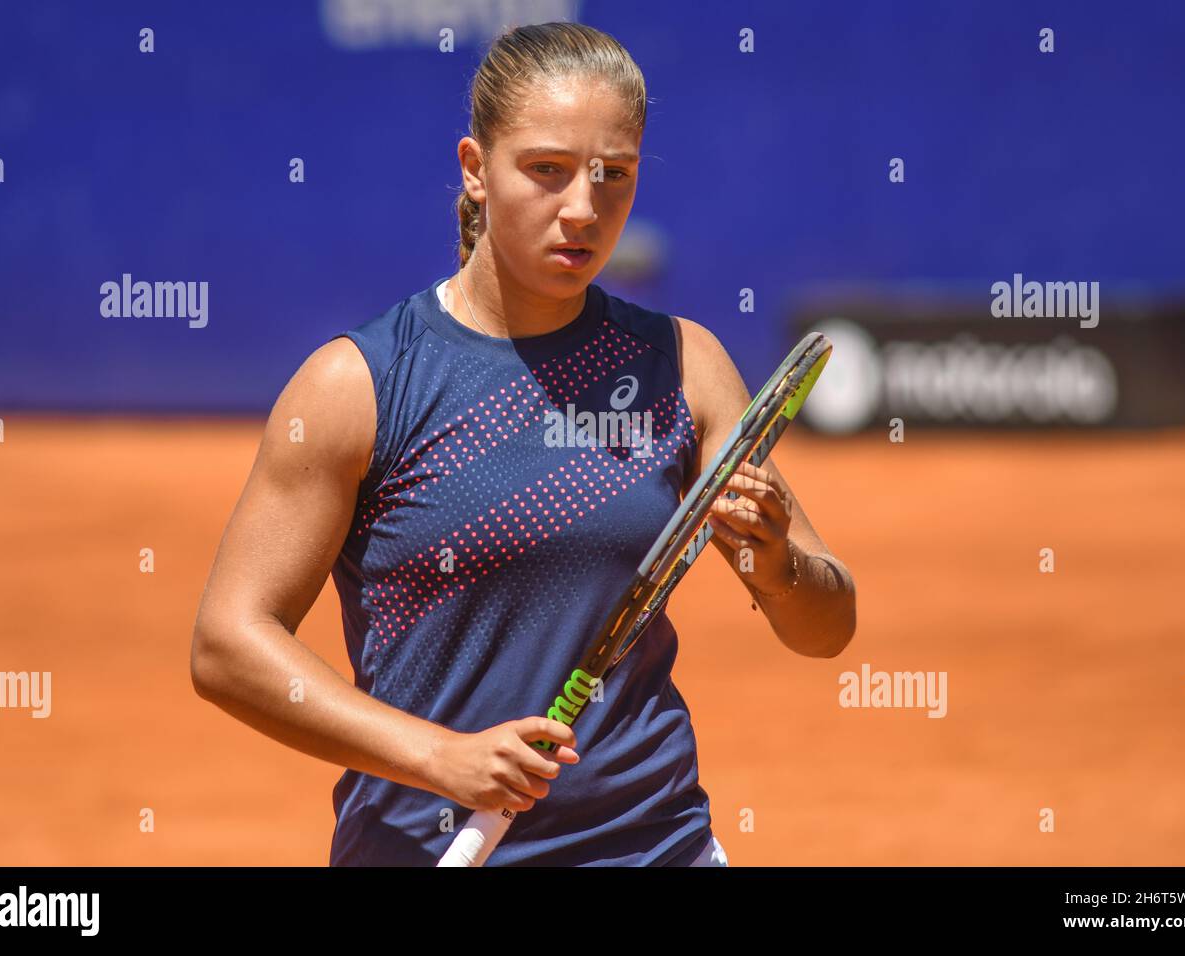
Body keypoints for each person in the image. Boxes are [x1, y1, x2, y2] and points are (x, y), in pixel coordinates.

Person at [190, 21, 855, 867]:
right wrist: (441, 757)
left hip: (652, 846)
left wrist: (775, 560)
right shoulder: (357, 385)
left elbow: (826, 628)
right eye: (547, 170)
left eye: (613, 175)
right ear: (475, 168)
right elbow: (227, 644)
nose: (583, 207)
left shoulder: (684, 366)